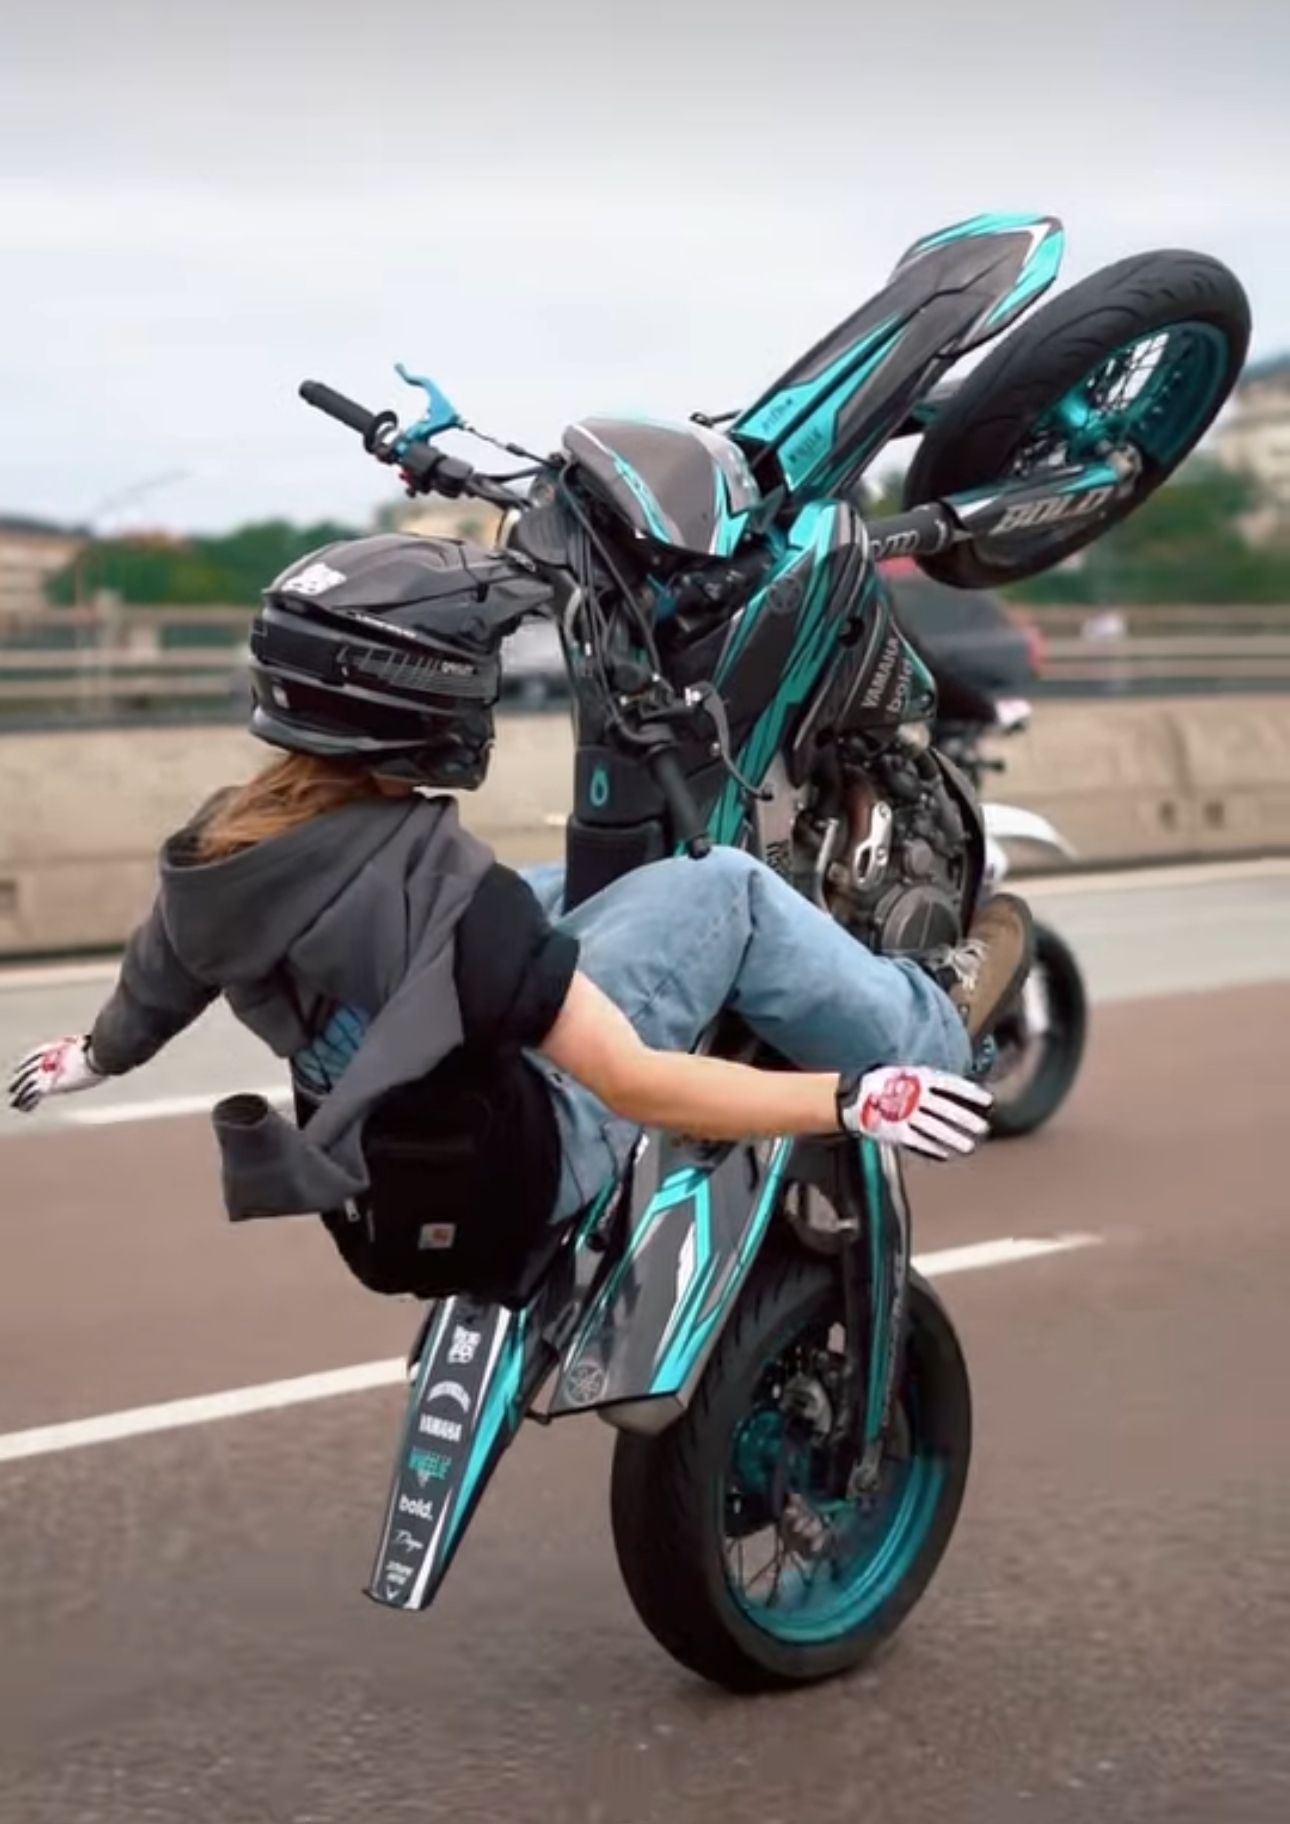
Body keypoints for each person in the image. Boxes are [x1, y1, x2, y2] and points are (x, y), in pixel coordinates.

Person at [7, 536, 1031, 1257]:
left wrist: (97, 1055)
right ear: (428, 700)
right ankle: (928, 1028)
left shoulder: (223, 845)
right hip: (524, 1156)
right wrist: (851, 1099)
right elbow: (632, 1084)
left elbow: (164, 969)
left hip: (387, 1162)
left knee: (582, 889)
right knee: (725, 888)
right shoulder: (453, 900)